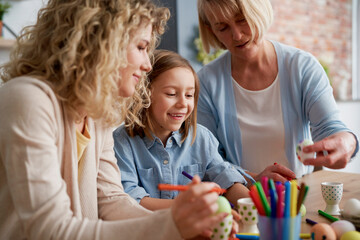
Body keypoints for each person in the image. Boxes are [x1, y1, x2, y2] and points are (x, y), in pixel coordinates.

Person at [0, 1, 229, 239]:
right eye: (141, 47)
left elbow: (111, 200)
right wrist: (171, 225)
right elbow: (50, 230)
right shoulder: (28, 100)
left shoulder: (97, 115)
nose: (147, 64)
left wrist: (192, 227)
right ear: (102, 41)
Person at [196, 0, 359, 183]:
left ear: (258, 11)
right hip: (241, 200)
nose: (237, 35)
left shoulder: (302, 67)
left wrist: (349, 142)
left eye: (242, 20)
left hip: (296, 197)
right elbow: (209, 159)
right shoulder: (205, 82)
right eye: (223, 27)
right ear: (212, 31)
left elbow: (330, 128)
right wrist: (254, 179)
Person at [113, 49, 249, 211]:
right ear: (144, 95)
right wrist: (188, 207)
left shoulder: (202, 137)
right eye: (171, 94)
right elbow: (130, 198)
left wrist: (254, 205)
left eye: (189, 95)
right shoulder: (122, 142)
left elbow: (226, 178)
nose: (183, 104)